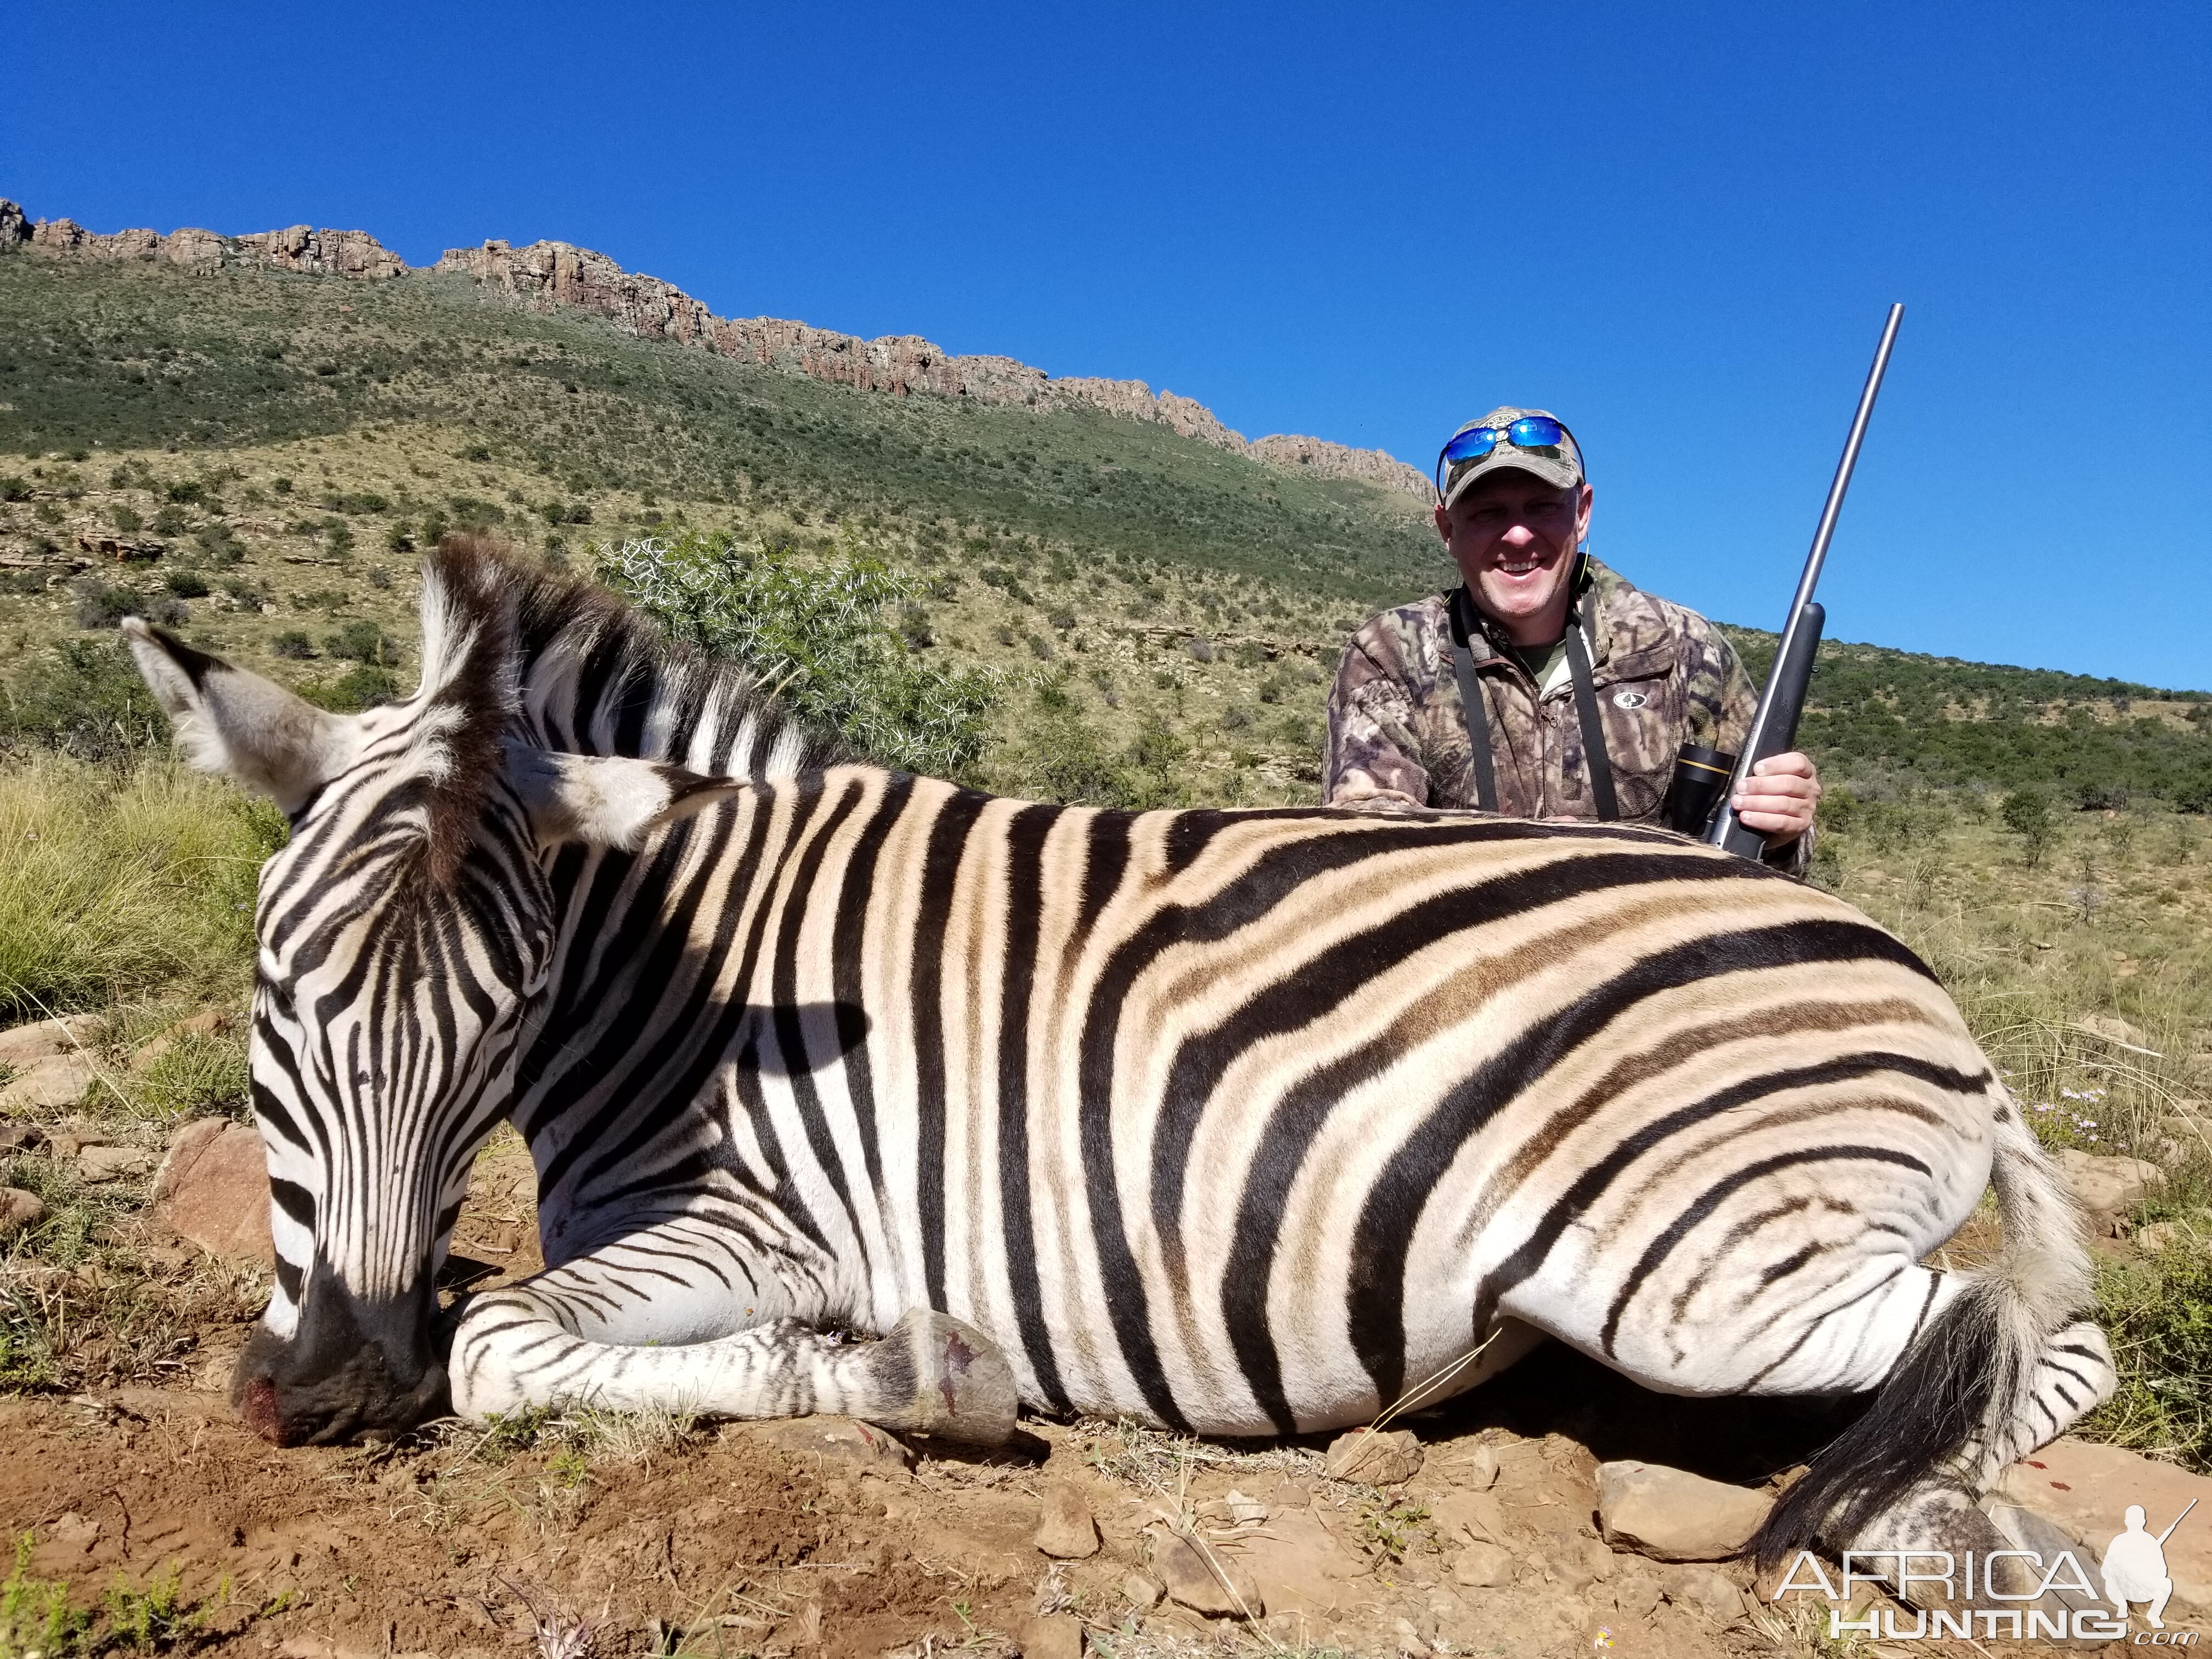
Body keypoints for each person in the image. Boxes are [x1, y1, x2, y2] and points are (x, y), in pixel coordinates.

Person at [1324, 406, 1820, 871]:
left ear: (1582, 513)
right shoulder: (1390, 652)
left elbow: (1765, 856)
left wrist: (1784, 829)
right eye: (1486, 514)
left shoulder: (1687, 649)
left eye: (1542, 507)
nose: (1518, 535)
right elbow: (1372, 846)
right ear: (1447, 529)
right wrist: (1544, 854)